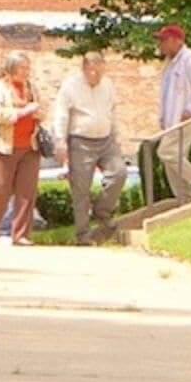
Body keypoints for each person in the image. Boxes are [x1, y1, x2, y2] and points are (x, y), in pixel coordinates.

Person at [50, 52, 123, 244]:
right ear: (83, 68)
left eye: (99, 71)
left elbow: (113, 111)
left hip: (106, 139)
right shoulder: (71, 86)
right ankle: (83, 234)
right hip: (80, 140)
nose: (95, 75)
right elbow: (61, 114)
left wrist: (116, 136)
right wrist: (60, 141)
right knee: (81, 189)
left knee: (119, 173)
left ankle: (101, 210)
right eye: (91, 71)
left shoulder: (107, 85)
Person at [0, 54, 42, 246]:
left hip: (29, 146)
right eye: (22, 67)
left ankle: (21, 234)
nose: (26, 71)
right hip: (3, 146)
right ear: (11, 68)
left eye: (27, 67)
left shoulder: (31, 88)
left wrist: (38, 113)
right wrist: (22, 112)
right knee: (1, 189)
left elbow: (40, 109)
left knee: (26, 192)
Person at [152, 22, 191, 199]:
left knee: (167, 153)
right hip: (173, 122)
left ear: (176, 41)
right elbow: (167, 94)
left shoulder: (190, 59)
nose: (160, 46)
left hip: (187, 119)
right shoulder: (170, 64)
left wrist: (190, 109)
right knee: (173, 163)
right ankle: (186, 201)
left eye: (163, 41)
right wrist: (163, 117)